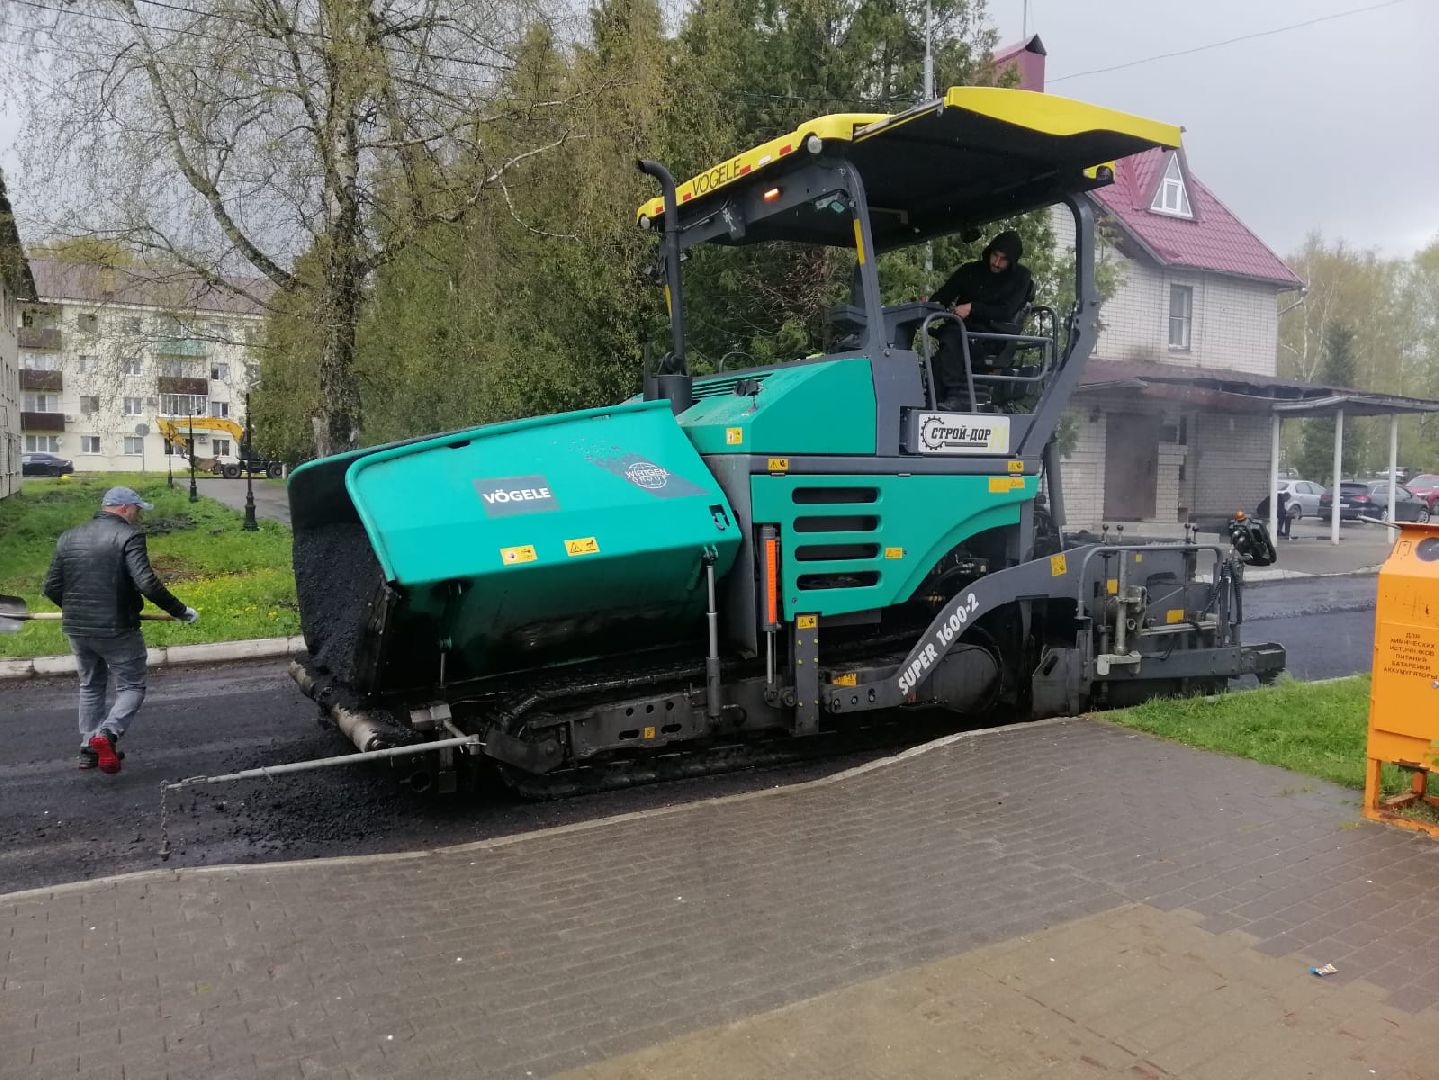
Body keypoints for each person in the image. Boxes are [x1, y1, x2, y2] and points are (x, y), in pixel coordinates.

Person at [42, 486, 198, 773]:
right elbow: (147, 583)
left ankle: (88, 749)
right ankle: (108, 734)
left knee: (90, 685)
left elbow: (50, 587)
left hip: (77, 628)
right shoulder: (129, 535)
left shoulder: (69, 537)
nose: (138, 515)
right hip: (117, 629)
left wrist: (77, 611)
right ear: (124, 507)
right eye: (137, 509)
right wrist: (181, 611)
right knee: (131, 686)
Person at [928, 230, 1033, 405]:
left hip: (993, 334)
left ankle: (955, 396)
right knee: (938, 360)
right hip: (961, 329)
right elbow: (943, 295)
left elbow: (1007, 311)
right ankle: (934, 404)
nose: (997, 263)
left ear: (1012, 261)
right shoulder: (970, 270)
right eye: (995, 256)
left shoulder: (1020, 277)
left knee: (952, 336)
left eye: (1004, 259)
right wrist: (928, 306)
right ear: (989, 251)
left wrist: (972, 308)